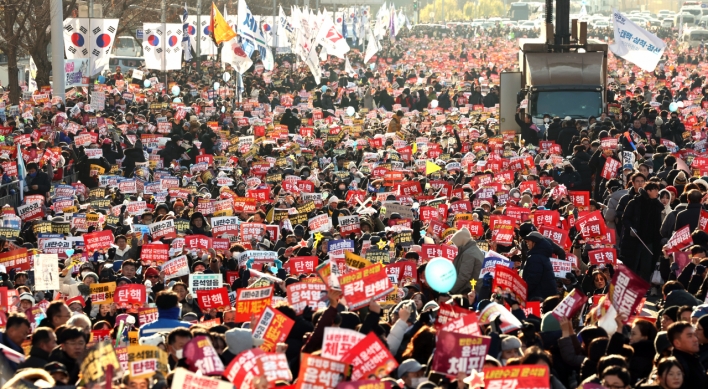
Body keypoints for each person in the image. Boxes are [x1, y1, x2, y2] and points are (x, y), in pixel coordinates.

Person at [668, 322, 707, 389]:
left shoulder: (693, 359)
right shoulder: (676, 366)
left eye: (695, 335)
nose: (695, 339)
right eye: (690, 336)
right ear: (677, 343)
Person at [521, 232, 558, 301]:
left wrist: (522, 292)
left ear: (535, 242)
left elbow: (533, 279)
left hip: (538, 297)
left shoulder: (535, 258)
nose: (527, 243)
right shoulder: (542, 256)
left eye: (529, 241)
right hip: (545, 296)